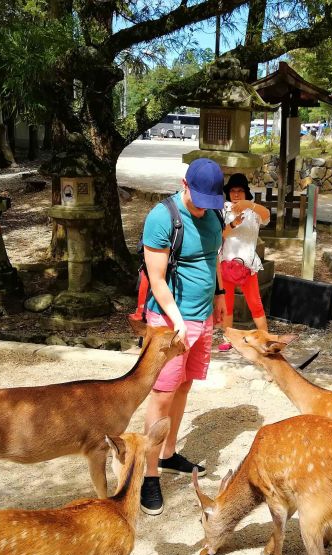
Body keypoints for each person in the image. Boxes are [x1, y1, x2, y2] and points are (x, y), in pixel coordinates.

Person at [139, 158, 226, 515]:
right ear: (184, 184)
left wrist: (219, 296)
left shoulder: (215, 215)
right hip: (169, 320)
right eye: (199, 200)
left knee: (185, 385)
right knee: (161, 395)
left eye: (211, 202)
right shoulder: (163, 218)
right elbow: (156, 278)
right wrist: (176, 320)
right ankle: (148, 475)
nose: (205, 209)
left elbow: (212, 259)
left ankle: (169, 453)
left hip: (202, 317)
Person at [217, 173, 271, 350]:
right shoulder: (224, 209)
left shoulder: (253, 211)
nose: (236, 194)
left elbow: (267, 215)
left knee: (255, 303)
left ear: (246, 192)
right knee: (228, 303)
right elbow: (220, 235)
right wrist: (233, 224)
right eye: (232, 191)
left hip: (247, 264)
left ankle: (265, 338)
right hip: (227, 261)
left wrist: (250, 205)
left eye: (240, 191)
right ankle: (228, 338)